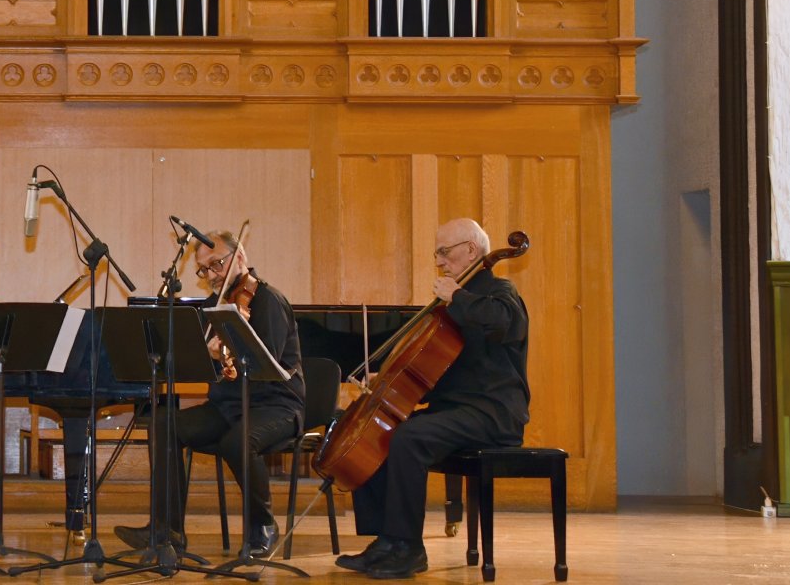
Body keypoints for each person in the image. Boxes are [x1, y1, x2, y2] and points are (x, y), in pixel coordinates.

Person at [340, 217, 529, 580]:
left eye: (444, 253)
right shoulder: (456, 307)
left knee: (410, 437)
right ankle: (386, 540)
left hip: (493, 413)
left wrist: (456, 296)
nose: (440, 262)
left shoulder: (500, 293)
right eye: (437, 255)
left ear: (472, 251)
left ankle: (409, 548)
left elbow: (506, 323)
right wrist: (391, 379)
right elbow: (443, 373)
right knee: (380, 432)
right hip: (457, 411)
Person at [114, 230, 305, 558]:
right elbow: (208, 369)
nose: (212, 275)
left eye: (217, 264)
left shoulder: (268, 300)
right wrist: (208, 357)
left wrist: (230, 351)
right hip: (230, 405)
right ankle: (167, 531)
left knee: (237, 441)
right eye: (204, 269)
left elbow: (266, 367)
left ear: (240, 257)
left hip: (277, 404)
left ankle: (263, 527)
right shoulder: (213, 306)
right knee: (163, 423)